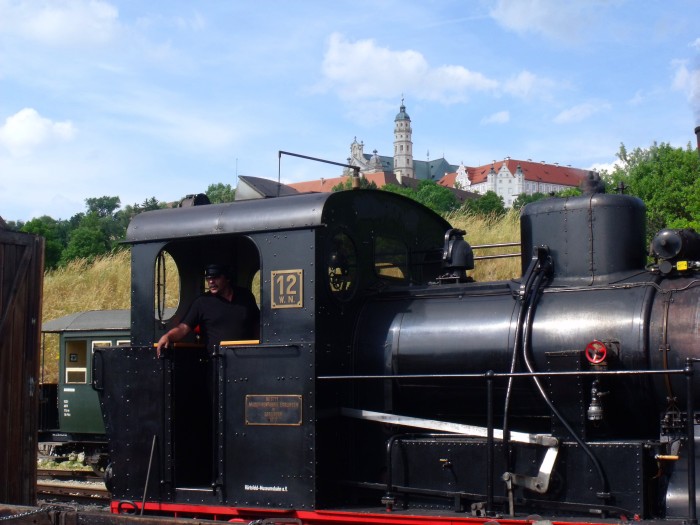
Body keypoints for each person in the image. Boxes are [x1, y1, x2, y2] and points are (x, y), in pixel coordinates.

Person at [156, 263, 260, 357]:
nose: (211, 282)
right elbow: (183, 328)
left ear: (227, 278)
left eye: (215, 278)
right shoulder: (202, 302)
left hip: (247, 358)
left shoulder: (246, 296)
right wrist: (167, 337)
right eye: (208, 279)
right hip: (216, 361)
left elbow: (258, 324)